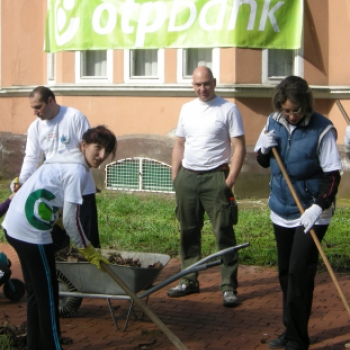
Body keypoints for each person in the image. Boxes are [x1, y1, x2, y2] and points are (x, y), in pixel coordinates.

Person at [2, 125, 117, 350]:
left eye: (107, 151)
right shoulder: (77, 171)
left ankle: (34, 346)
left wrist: (54, 216)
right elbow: (71, 222)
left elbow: (51, 193)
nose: (101, 156)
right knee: (49, 298)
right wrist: (90, 252)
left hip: (13, 225)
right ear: (84, 145)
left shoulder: (63, 156)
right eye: (98, 148)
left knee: (36, 292)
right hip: (31, 233)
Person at [254, 76, 341, 350]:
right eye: (286, 110)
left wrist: (318, 206)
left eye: (295, 110)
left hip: (311, 211)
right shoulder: (273, 121)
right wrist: (263, 149)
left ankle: (297, 338)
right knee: (284, 272)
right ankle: (290, 328)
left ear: (306, 105)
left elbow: (332, 175)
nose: (290, 116)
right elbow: (264, 161)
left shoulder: (322, 129)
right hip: (282, 208)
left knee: (299, 274)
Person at [167, 66, 246, 307]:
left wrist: (229, 180)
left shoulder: (228, 109)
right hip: (188, 178)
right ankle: (189, 279)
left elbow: (239, 146)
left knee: (224, 231)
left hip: (216, 178)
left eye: (206, 84)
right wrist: (175, 177)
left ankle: (228, 286)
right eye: (197, 85)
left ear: (214, 82)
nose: (202, 89)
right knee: (188, 231)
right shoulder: (187, 109)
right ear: (193, 85)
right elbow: (179, 143)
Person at [15, 86, 101, 249]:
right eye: (32, 108)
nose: (35, 112)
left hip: (80, 191)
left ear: (50, 101)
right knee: (57, 245)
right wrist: (23, 180)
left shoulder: (74, 117)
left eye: (38, 107)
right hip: (53, 194)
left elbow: (89, 149)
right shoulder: (35, 128)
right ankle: (61, 274)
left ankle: (92, 273)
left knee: (87, 240)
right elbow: (32, 157)